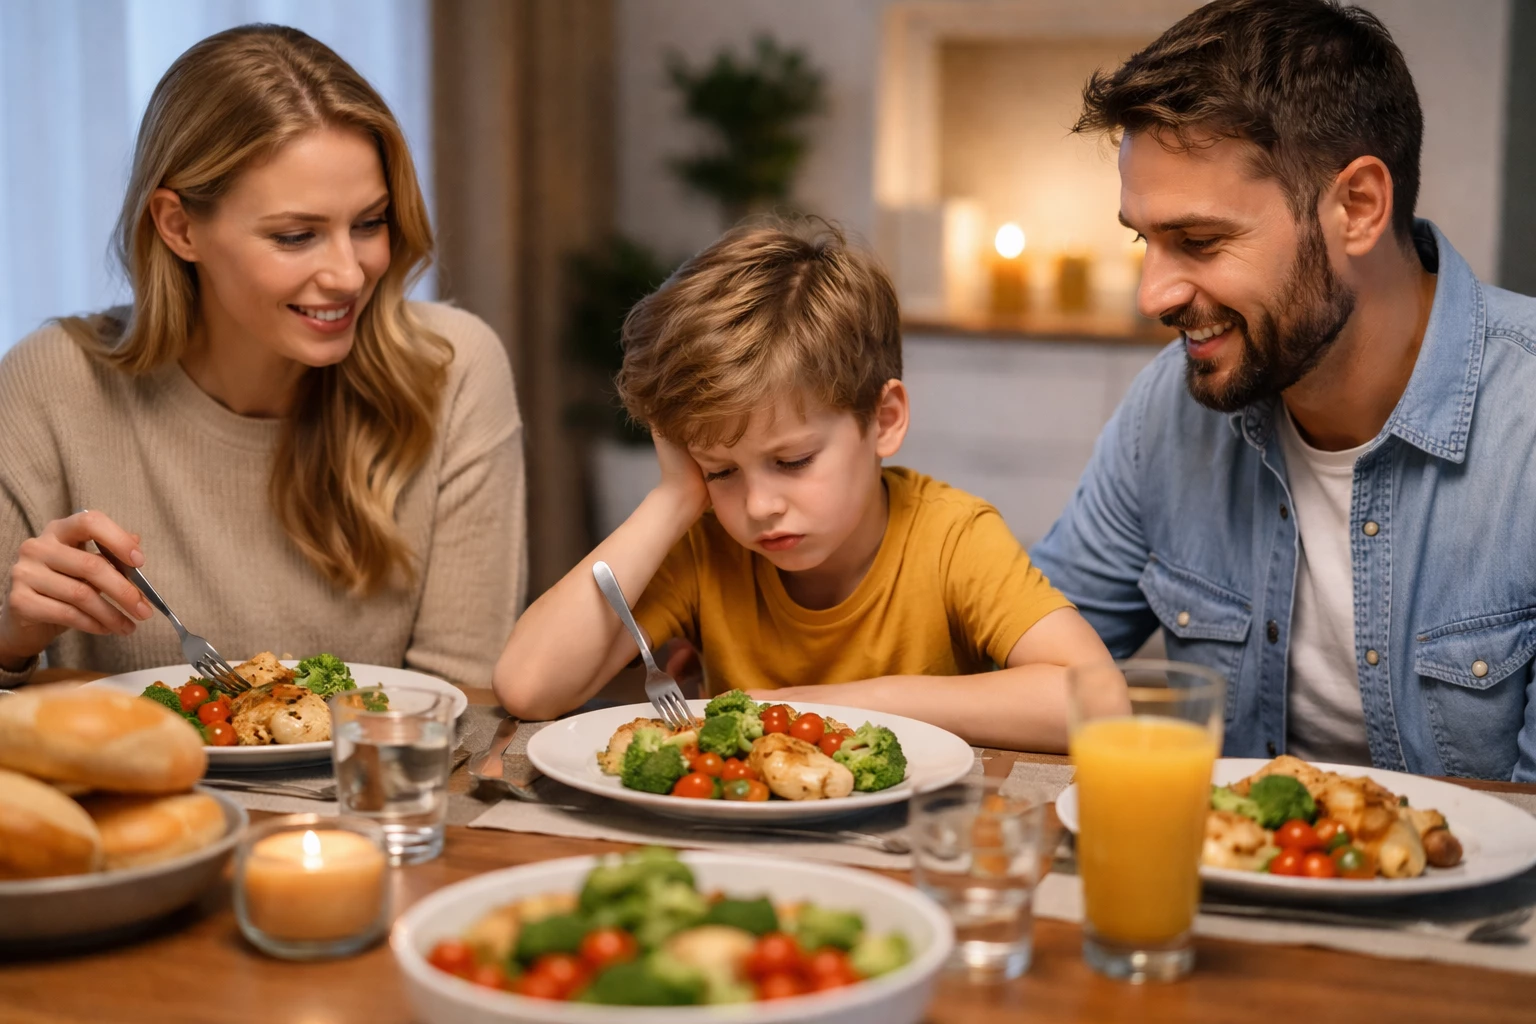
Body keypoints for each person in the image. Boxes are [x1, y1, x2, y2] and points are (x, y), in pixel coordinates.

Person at [1030, 0, 1536, 780]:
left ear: (1357, 206)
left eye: (1198, 241)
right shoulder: (1168, 411)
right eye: (1145, 240)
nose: (1153, 295)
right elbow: (1036, 661)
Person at [0, 25, 526, 689]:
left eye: (369, 223)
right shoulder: (50, 385)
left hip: (379, 795)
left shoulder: (455, 370)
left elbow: (464, 710)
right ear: (179, 226)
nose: (348, 274)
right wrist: (12, 644)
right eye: (297, 235)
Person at [495, 221, 1112, 750]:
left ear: (885, 420)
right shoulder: (707, 542)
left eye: (792, 461)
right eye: (721, 470)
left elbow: (1100, 702)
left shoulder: (952, 536)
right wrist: (675, 497)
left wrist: (810, 704)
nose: (760, 506)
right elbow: (529, 685)